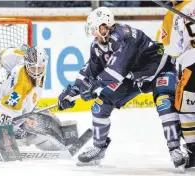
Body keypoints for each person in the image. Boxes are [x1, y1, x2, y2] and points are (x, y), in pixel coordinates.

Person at [57, 6, 188, 169]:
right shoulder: (97, 46)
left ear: (103, 27)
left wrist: (93, 86)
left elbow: (116, 71)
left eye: (94, 29)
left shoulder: (124, 36)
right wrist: (71, 92)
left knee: (165, 104)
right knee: (99, 106)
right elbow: (89, 72)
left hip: (160, 70)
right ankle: (98, 147)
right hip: (133, 78)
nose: (93, 33)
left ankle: (176, 149)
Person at [160, 0, 195, 168]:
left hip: (191, 65)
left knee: (186, 110)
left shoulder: (173, 14)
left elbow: (172, 49)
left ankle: (193, 152)